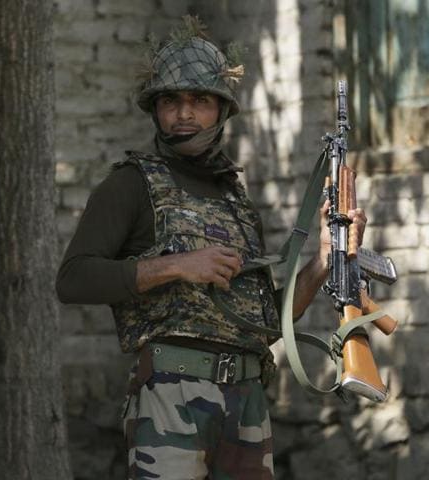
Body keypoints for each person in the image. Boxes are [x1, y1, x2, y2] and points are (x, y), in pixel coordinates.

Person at [56, 17, 367, 480]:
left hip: (246, 400)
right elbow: (73, 279)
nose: (185, 113)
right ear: (155, 110)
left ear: (221, 110)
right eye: (171, 101)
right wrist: (177, 266)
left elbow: (267, 325)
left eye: (200, 101)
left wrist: (322, 261)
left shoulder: (235, 201)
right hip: (171, 397)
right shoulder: (130, 185)